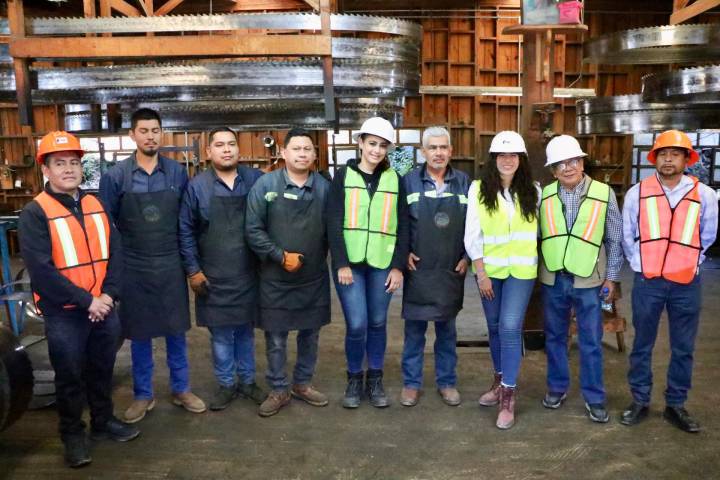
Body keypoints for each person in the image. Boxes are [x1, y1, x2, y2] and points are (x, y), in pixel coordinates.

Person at [19, 131, 139, 468]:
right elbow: (41, 271)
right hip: (66, 314)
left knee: (101, 369)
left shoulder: (95, 204)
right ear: (46, 169)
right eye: (60, 163)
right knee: (70, 376)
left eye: (73, 162)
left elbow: (116, 252)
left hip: (104, 307)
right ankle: (72, 435)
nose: (69, 169)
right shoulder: (35, 213)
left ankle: (103, 421)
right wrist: (89, 301)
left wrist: (108, 295)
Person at [99, 108, 206, 423]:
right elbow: (107, 229)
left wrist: (191, 266)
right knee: (139, 334)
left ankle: (181, 389)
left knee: (176, 331)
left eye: (155, 130)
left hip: (170, 263)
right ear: (132, 135)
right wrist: (113, 275)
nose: (150, 136)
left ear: (162, 133)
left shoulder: (177, 173)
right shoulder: (115, 176)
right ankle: (143, 395)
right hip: (133, 266)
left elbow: (186, 223)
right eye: (143, 131)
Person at [620, 130, 718, 433]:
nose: (668, 159)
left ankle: (676, 404)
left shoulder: (704, 194)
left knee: (683, 347)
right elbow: (627, 234)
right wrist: (641, 264)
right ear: (655, 158)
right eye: (663, 154)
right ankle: (640, 399)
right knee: (642, 343)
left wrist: (690, 261)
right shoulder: (638, 192)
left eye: (675, 154)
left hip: (686, 282)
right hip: (648, 280)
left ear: (686, 159)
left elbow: (708, 234)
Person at [245, 127, 331, 417]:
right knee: (276, 338)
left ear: (314, 155)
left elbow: (334, 230)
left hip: (313, 278)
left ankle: (302, 384)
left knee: (310, 335)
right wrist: (280, 256)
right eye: (296, 149)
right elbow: (253, 229)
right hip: (275, 279)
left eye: (307, 149)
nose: (302, 154)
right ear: (284, 153)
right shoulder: (265, 185)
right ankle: (279, 388)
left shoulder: (324, 188)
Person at [179, 127, 266, 411]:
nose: (226, 149)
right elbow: (186, 231)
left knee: (246, 332)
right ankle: (226, 384)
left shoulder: (255, 180)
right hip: (212, 274)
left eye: (231, 144)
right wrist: (193, 270)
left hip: (248, 272)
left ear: (239, 149)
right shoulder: (197, 186)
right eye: (219, 145)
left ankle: (248, 381)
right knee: (220, 335)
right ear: (209, 152)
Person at [539, 134, 623, 424]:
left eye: (573, 160)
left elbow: (614, 239)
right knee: (555, 337)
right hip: (553, 278)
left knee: (590, 340)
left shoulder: (604, 193)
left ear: (582, 163)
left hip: (590, 280)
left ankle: (595, 397)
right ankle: (557, 387)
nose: (568, 167)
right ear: (553, 171)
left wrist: (611, 278)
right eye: (560, 164)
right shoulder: (544, 195)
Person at [328, 116, 409, 409]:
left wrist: (398, 266)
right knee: (357, 323)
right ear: (360, 143)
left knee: (377, 322)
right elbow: (333, 220)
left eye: (382, 145)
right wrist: (340, 262)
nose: (376, 150)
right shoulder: (343, 176)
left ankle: (374, 378)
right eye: (372, 143)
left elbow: (404, 226)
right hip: (349, 264)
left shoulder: (395, 179)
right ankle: (354, 378)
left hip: (382, 262)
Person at [464, 131, 539, 429]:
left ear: (521, 159)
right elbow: (472, 235)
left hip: (521, 272)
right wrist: (481, 273)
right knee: (495, 328)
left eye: (513, 155)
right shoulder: (478, 189)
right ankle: (498, 381)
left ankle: (509, 394)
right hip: (490, 273)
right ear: (493, 159)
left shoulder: (534, 191)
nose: (508, 160)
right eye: (502, 155)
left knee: (509, 327)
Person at [400, 126, 469, 408]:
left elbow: (474, 225)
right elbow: (399, 222)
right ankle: (411, 384)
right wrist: (403, 253)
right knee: (414, 332)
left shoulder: (464, 182)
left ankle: (447, 382)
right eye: (433, 148)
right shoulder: (408, 182)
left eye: (443, 147)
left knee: (447, 331)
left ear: (450, 151)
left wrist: (467, 256)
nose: (438, 153)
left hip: (450, 268)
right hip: (419, 268)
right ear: (423, 152)